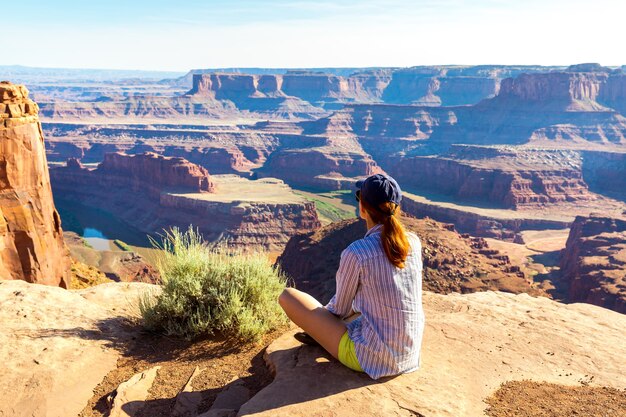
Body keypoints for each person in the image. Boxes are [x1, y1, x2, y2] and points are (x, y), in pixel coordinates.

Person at [278, 173, 425, 379]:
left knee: (287, 296)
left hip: (370, 357)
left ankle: (322, 338)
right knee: (357, 310)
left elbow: (339, 309)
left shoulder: (358, 252)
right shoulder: (414, 243)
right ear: (397, 208)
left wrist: (320, 324)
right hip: (409, 354)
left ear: (362, 207)